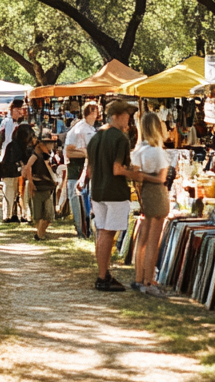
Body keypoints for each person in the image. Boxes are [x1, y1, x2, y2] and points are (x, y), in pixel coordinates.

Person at [78, 99, 139, 292]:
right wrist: (136, 174)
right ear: (116, 117)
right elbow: (117, 169)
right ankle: (103, 276)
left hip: (98, 190)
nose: (128, 119)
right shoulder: (120, 138)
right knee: (107, 233)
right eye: (126, 115)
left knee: (102, 232)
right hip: (114, 191)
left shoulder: (96, 137)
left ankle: (103, 273)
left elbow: (90, 168)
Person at [130, 112, 172, 297]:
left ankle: (140, 276)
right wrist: (147, 177)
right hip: (157, 192)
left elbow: (134, 173)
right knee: (153, 240)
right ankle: (149, 279)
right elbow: (162, 177)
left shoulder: (139, 150)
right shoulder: (157, 151)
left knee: (143, 238)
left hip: (145, 192)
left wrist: (141, 177)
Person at [64, 101, 100, 238]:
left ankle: (87, 230)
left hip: (87, 167)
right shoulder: (80, 129)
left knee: (86, 199)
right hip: (77, 168)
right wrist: (86, 153)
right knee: (78, 199)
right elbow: (69, 151)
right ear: (91, 112)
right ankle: (82, 230)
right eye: (95, 111)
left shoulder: (90, 128)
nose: (97, 114)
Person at [22, 127, 57, 240]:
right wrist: (31, 183)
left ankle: (40, 234)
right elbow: (28, 167)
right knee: (40, 215)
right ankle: (39, 234)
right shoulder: (37, 154)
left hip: (47, 187)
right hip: (39, 187)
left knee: (48, 215)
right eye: (49, 143)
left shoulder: (48, 155)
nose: (51, 145)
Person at [0, 99, 27, 221]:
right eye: (18, 110)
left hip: (19, 157)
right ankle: (7, 214)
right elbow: (0, 140)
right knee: (9, 186)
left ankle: (18, 213)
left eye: (22, 109)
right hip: (8, 158)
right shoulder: (6, 123)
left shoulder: (23, 123)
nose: (21, 112)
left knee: (19, 187)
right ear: (12, 110)